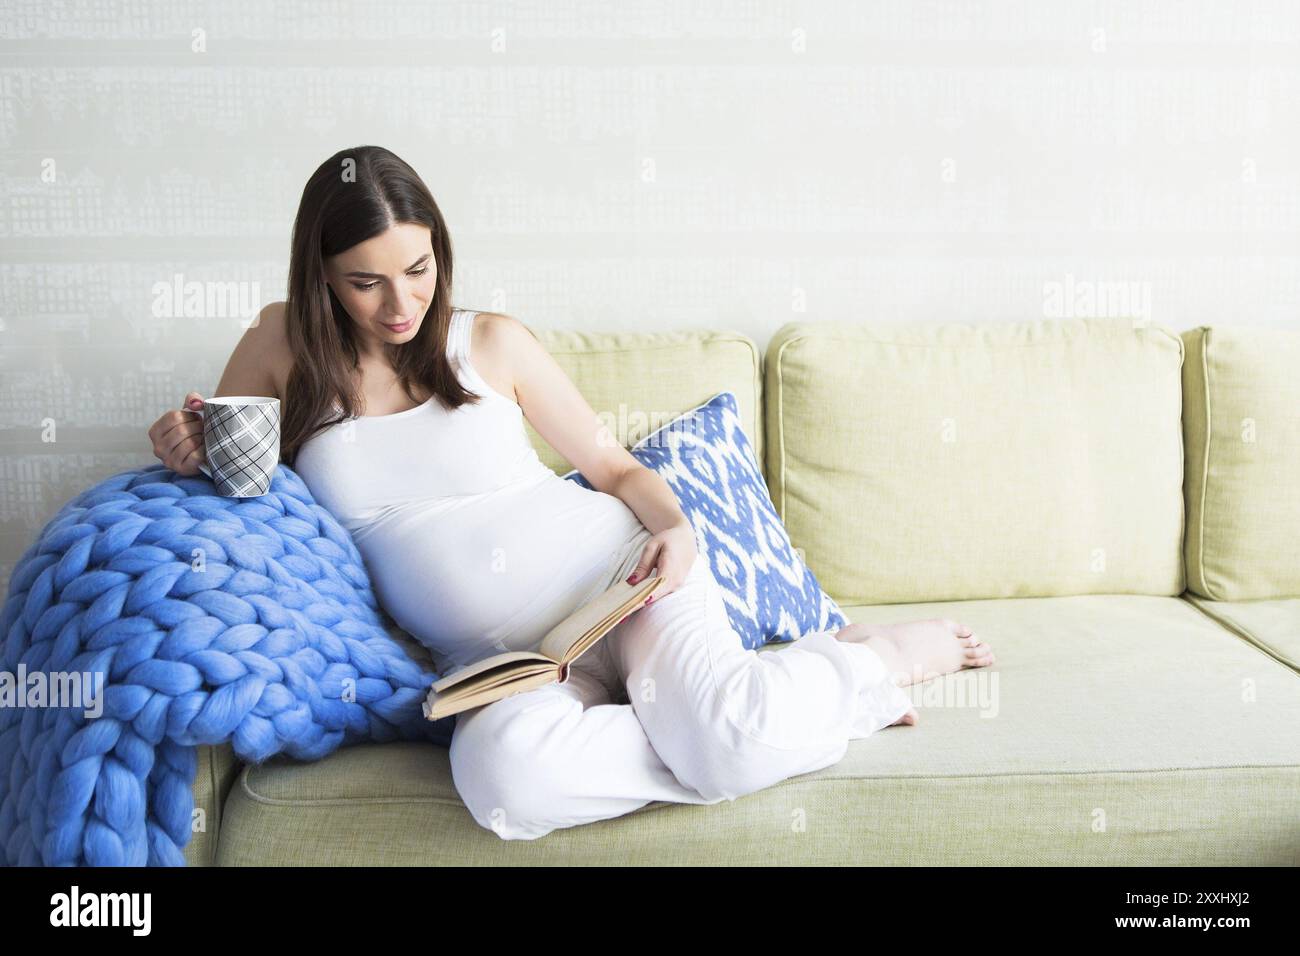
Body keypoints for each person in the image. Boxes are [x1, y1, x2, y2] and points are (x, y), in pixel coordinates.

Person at [148, 145, 995, 841]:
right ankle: (755, 719)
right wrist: (186, 448)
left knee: (728, 744)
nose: (402, 303)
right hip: (506, 667)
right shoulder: (278, 345)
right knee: (504, 782)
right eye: (366, 282)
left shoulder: (492, 342)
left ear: (439, 250)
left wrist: (676, 533)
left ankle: (872, 665)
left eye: (418, 268)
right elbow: (236, 479)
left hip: (624, 583)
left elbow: (614, 470)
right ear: (322, 275)